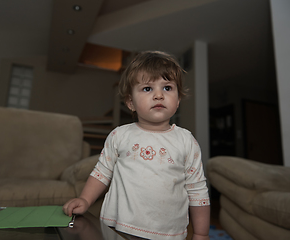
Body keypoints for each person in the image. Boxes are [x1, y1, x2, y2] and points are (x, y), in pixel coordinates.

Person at [63, 51, 210, 240]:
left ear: (178, 99)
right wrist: (84, 199)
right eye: (148, 89)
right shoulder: (119, 135)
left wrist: (201, 233)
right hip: (117, 228)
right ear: (131, 102)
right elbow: (102, 172)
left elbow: (197, 189)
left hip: (167, 234)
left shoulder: (186, 141)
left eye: (167, 88)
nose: (158, 95)